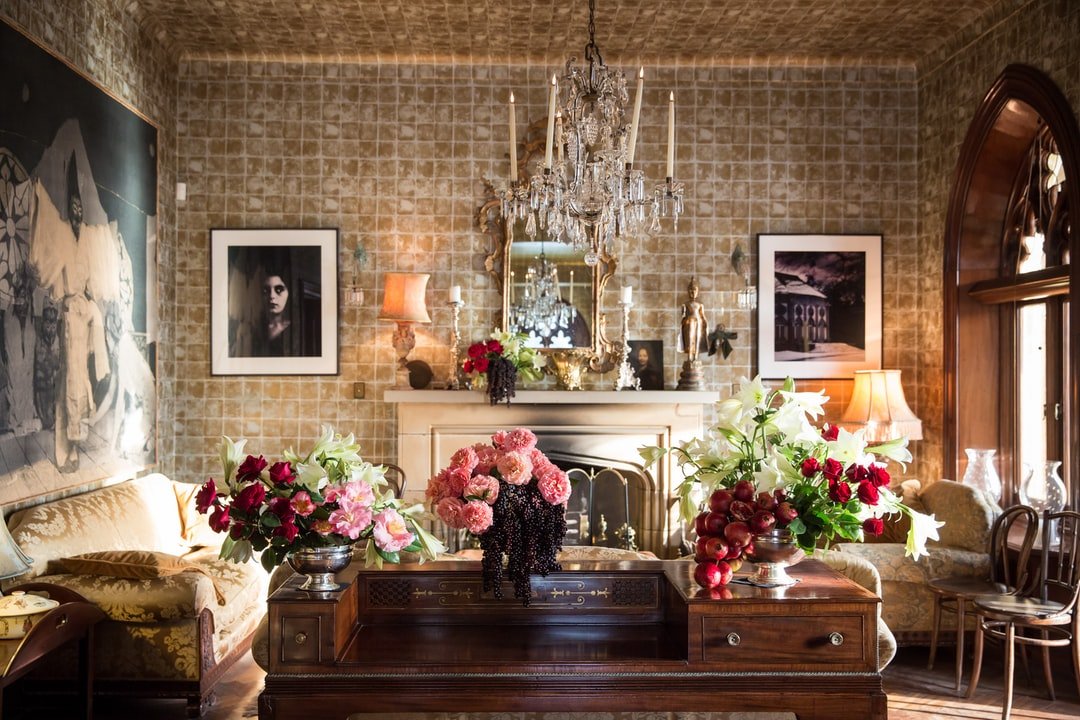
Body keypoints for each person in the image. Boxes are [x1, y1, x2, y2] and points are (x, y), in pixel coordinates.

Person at [678, 277, 709, 363]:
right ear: (688, 292)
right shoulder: (685, 304)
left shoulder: (700, 305)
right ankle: (689, 357)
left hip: (698, 323)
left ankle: (695, 358)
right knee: (689, 339)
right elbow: (683, 316)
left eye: (695, 290)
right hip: (689, 324)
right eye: (691, 290)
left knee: (697, 339)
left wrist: (706, 325)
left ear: (697, 292)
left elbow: (703, 316)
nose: (693, 292)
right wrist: (684, 321)